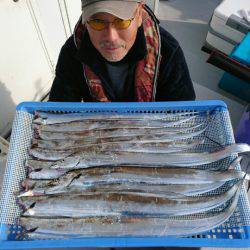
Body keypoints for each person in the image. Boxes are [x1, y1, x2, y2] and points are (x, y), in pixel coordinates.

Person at [49, 0, 196, 102]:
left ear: (139, 15)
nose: (111, 37)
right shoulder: (72, 52)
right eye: (97, 22)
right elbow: (59, 110)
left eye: (122, 21)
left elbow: (182, 114)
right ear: (85, 22)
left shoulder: (168, 52)